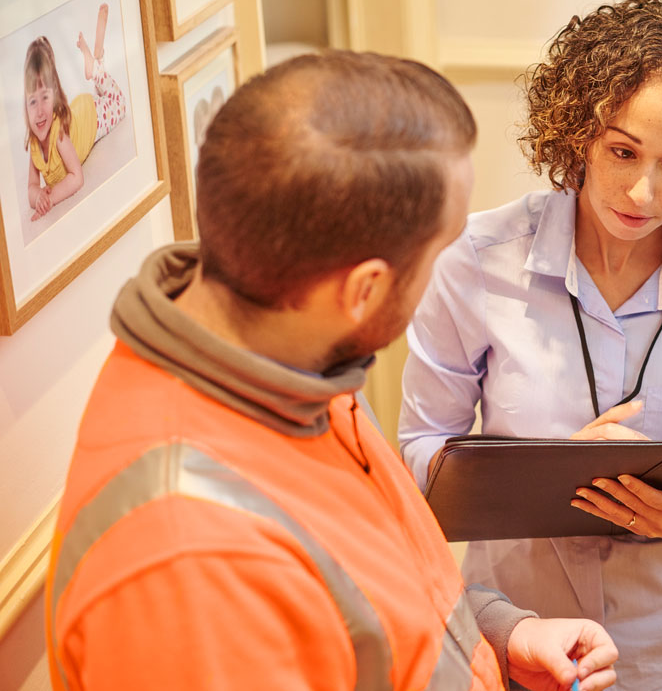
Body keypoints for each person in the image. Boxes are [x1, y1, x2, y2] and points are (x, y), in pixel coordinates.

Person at [45, 51, 618, 691]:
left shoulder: (294, 361)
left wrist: (495, 633)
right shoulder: (190, 565)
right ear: (363, 291)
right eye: (442, 247)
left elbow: (364, 590)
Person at [399, 0, 662, 689]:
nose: (643, 191)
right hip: (518, 642)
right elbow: (422, 450)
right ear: (578, 130)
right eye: (622, 152)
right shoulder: (474, 263)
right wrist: (542, 476)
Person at [25, 3, 127, 221]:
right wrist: (38, 198)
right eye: (33, 102)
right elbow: (32, 187)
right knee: (102, 93)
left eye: (45, 98)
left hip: (92, 117)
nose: (40, 111)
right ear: (25, 105)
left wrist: (51, 200)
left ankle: (95, 66)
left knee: (118, 102)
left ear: (55, 96)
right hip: (78, 113)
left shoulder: (57, 134)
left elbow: (76, 177)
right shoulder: (34, 142)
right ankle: (97, 57)